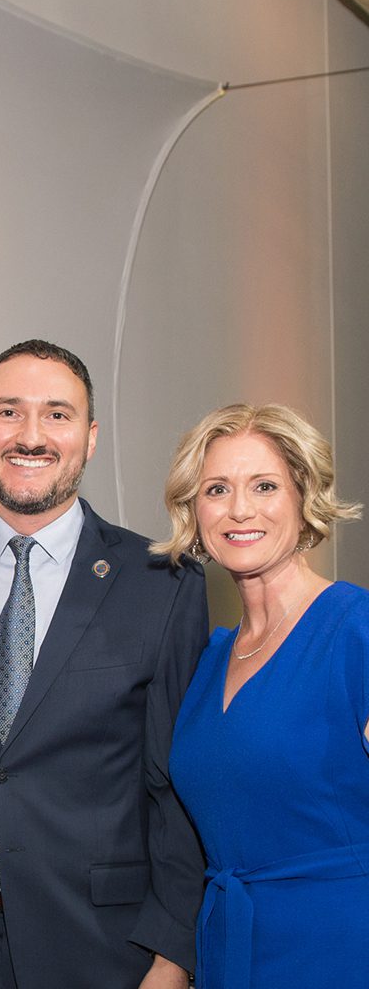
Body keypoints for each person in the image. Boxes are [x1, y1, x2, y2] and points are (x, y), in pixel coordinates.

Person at [0, 339, 209, 989]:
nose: (31, 435)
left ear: (89, 435)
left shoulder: (161, 583)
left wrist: (174, 952)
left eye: (56, 414)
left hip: (101, 948)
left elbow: (178, 787)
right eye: (8, 412)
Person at [153, 403, 366, 989]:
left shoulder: (356, 631)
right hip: (227, 948)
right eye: (217, 489)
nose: (239, 509)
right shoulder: (209, 657)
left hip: (340, 950)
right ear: (193, 512)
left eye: (265, 486)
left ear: (304, 498)